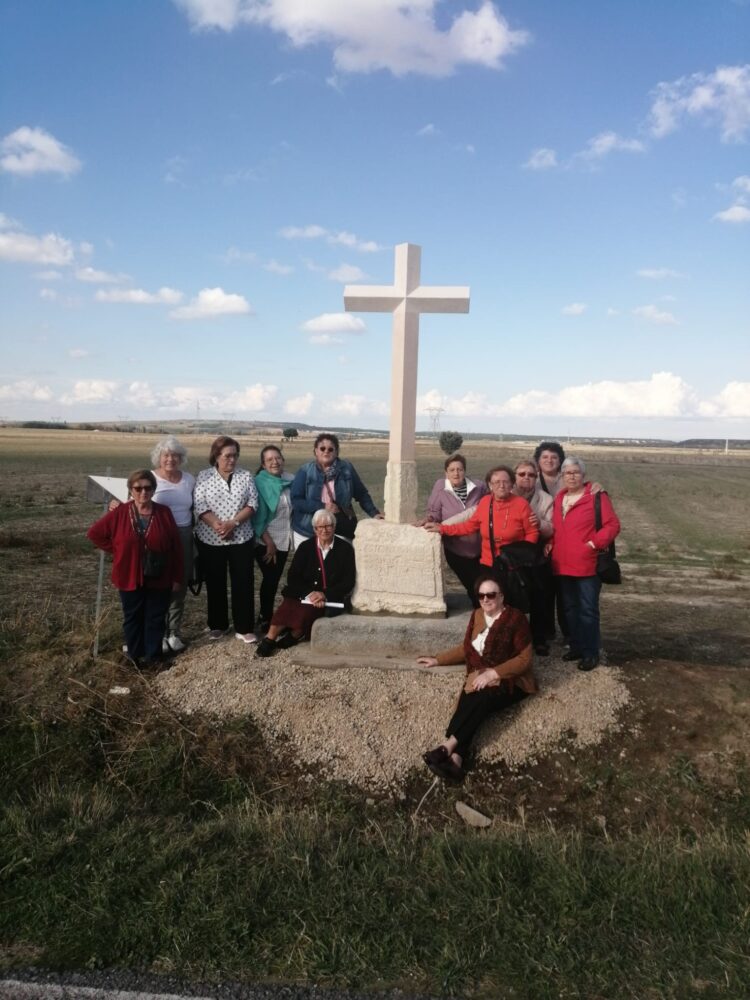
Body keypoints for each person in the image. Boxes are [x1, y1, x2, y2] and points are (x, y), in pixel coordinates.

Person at [418, 572, 536, 782]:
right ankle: (456, 761)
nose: (486, 600)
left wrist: (493, 673)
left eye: (491, 595)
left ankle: (447, 747)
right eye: (481, 596)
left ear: (501, 596)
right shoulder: (477, 616)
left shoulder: (516, 619)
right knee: (471, 695)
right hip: (480, 673)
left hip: (512, 681)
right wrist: (438, 660)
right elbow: (467, 649)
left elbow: (525, 659)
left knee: (481, 697)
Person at [88, 469, 183, 668]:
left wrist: (177, 577)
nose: (143, 492)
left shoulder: (163, 512)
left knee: (155, 617)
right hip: (128, 574)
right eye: (138, 488)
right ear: (131, 490)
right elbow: (95, 533)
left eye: (148, 488)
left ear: (153, 490)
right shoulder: (121, 512)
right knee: (132, 617)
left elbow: (176, 546)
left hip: (159, 575)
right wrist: (117, 550)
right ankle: (134, 656)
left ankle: (154, 657)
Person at [550, 457, 621, 671]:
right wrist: (550, 544)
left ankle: (591, 652)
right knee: (570, 609)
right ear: (562, 476)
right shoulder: (559, 498)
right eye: (567, 472)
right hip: (562, 564)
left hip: (587, 565)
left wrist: (593, 544)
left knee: (588, 610)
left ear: (583, 475)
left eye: (576, 472)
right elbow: (556, 528)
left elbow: (612, 525)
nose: (571, 476)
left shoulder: (596, 496)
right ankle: (577, 646)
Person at [256, 508, 356, 657]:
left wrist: (324, 594)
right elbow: (293, 576)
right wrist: (309, 593)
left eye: (328, 526)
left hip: (327, 597)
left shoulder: (345, 549)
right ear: (315, 529)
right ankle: (270, 638)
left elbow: (348, 581)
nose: (324, 530)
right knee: (287, 607)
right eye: (320, 527)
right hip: (304, 593)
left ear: (334, 527)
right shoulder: (306, 547)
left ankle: (295, 634)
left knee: (308, 611)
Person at [194, 436, 258, 644]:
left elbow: (252, 504)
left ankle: (244, 627)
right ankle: (218, 624)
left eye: (235, 455)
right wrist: (218, 526)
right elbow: (200, 505)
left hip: (241, 538)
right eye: (228, 456)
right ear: (216, 456)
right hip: (211, 539)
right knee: (215, 582)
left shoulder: (245, 476)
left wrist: (233, 523)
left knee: (243, 581)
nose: (232, 460)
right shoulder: (203, 476)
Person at [425, 465, 539, 568]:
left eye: (505, 482)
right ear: (490, 485)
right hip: (489, 563)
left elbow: (532, 532)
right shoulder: (485, 502)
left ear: (511, 484)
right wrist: (442, 528)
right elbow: (468, 526)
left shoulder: (521, 504)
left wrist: (523, 556)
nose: (501, 486)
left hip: (514, 566)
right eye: (497, 482)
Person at [419, 453, 487, 606]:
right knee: (473, 586)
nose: (456, 473)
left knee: (484, 584)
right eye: (452, 470)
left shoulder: (479, 487)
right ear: (446, 472)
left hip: (479, 547)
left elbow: (487, 508)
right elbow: (435, 513)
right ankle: (481, 613)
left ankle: (484, 613)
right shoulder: (441, 487)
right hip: (456, 548)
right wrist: (428, 520)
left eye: (460, 469)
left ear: (465, 471)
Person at [290, 433, 383, 546]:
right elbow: (296, 501)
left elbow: (361, 494)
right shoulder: (305, 470)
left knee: (340, 557)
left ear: (336, 452)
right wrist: (322, 506)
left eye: (330, 449)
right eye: (322, 448)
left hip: (339, 529)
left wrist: (374, 513)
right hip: (308, 529)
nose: (326, 451)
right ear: (316, 451)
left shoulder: (347, 469)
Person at [149, 436, 195, 653]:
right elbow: (133, 501)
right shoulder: (150, 478)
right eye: (166, 455)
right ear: (158, 457)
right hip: (157, 536)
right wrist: (113, 503)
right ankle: (157, 633)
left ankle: (173, 633)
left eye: (175, 455)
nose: (170, 459)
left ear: (181, 458)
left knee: (179, 584)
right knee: (157, 584)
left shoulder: (189, 480)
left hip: (184, 535)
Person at [513, 459, 554, 656]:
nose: (526, 478)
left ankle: (539, 638)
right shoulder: (506, 494)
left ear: (536, 478)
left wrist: (539, 523)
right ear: (515, 476)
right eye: (522, 474)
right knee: (513, 596)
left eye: (531, 475)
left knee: (539, 596)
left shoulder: (545, 499)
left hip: (535, 551)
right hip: (512, 552)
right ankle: (515, 639)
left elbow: (552, 528)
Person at [253, 445, 294, 633]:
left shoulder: (290, 480)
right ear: (263, 464)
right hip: (266, 540)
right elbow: (257, 517)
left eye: (277, 458)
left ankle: (275, 616)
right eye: (269, 460)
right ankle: (265, 617)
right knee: (270, 579)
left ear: (283, 460)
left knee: (275, 578)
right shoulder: (259, 483)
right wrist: (268, 542)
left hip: (285, 538)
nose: (274, 462)